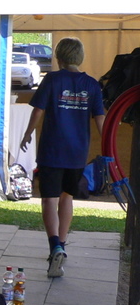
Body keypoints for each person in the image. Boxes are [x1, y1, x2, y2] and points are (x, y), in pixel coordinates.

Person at [20, 37, 105, 278]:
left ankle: (55, 246)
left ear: (59, 56)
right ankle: (62, 246)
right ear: (80, 56)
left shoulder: (52, 80)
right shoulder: (92, 85)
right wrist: (108, 146)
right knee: (67, 197)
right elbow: (100, 119)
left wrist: (28, 133)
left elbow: (38, 110)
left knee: (49, 199)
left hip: (52, 150)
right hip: (77, 152)